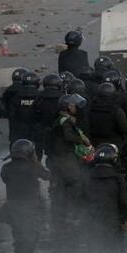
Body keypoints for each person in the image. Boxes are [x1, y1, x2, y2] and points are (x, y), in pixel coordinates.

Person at [84, 144, 127, 253]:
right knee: (112, 249)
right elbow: (124, 201)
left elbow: (80, 198)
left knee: (94, 248)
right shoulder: (118, 178)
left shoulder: (87, 177)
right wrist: (124, 219)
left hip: (92, 220)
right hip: (112, 219)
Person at [0, 139, 50, 253]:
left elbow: (5, 178)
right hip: (30, 205)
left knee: (18, 235)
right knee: (32, 234)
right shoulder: (33, 166)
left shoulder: (6, 167)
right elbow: (47, 176)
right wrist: (36, 163)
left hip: (12, 206)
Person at [46, 94, 90, 223]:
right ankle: (71, 212)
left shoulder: (62, 118)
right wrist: (82, 139)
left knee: (61, 184)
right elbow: (68, 136)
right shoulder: (65, 121)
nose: (75, 107)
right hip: (64, 156)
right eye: (72, 105)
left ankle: (61, 212)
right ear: (66, 107)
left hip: (58, 156)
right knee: (74, 181)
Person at [87, 82, 127, 174]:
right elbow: (125, 129)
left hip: (95, 145)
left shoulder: (90, 109)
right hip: (115, 146)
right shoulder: (117, 111)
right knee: (120, 171)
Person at [9, 72, 41, 155]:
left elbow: (11, 115)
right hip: (36, 131)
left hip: (19, 131)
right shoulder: (40, 96)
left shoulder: (16, 97)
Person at [35, 74, 64, 161]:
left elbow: (34, 113)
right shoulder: (62, 97)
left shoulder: (39, 97)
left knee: (38, 153)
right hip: (58, 132)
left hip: (41, 129)